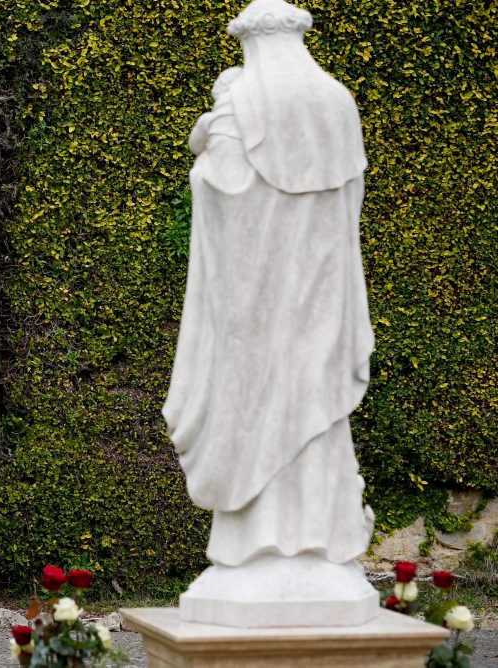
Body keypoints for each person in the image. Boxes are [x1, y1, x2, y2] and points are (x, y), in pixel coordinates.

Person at [162, 0, 376, 626]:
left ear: (249, 43)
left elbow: (221, 192)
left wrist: (204, 146)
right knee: (314, 414)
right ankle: (318, 542)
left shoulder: (241, 105)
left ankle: (259, 545)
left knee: (258, 410)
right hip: (323, 301)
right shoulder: (338, 104)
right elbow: (350, 208)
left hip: (255, 307)